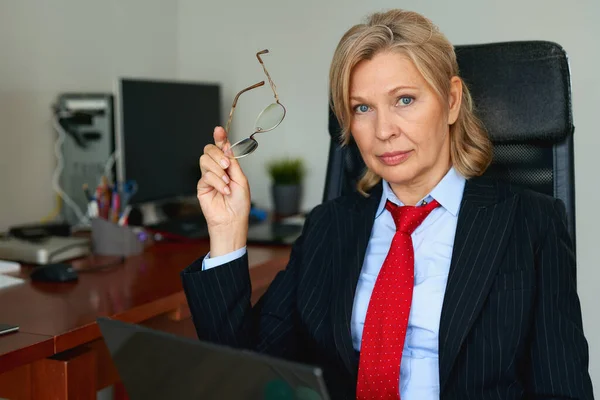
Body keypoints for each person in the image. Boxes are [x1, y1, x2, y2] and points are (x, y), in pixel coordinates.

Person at [181, 9, 594, 400]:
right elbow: (244, 369)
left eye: (405, 100)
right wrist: (227, 230)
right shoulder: (329, 226)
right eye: (363, 108)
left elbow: (561, 388)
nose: (383, 131)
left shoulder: (531, 223)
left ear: (451, 101)